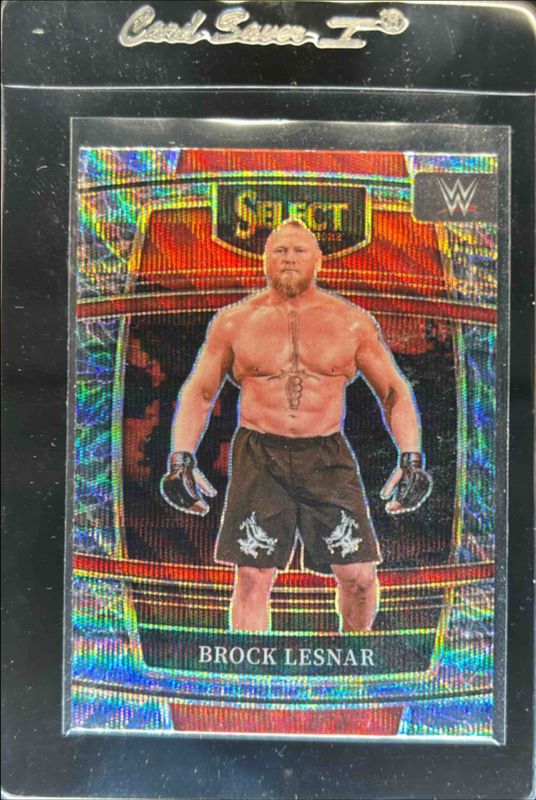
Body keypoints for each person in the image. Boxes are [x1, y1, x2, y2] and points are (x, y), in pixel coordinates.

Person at [161, 219, 432, 632]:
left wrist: (411, 458)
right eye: (280, 250)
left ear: (318, 260)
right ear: (264, 259)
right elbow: (199, 391)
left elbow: (394, 391)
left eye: (299, 250)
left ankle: (354, 653)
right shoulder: (233, 321)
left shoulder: (352, 322)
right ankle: (251, 667)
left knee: (359, 577)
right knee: (252, 577)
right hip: (260, 456)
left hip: (325, 455)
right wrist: (181, 457)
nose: (289, 258)